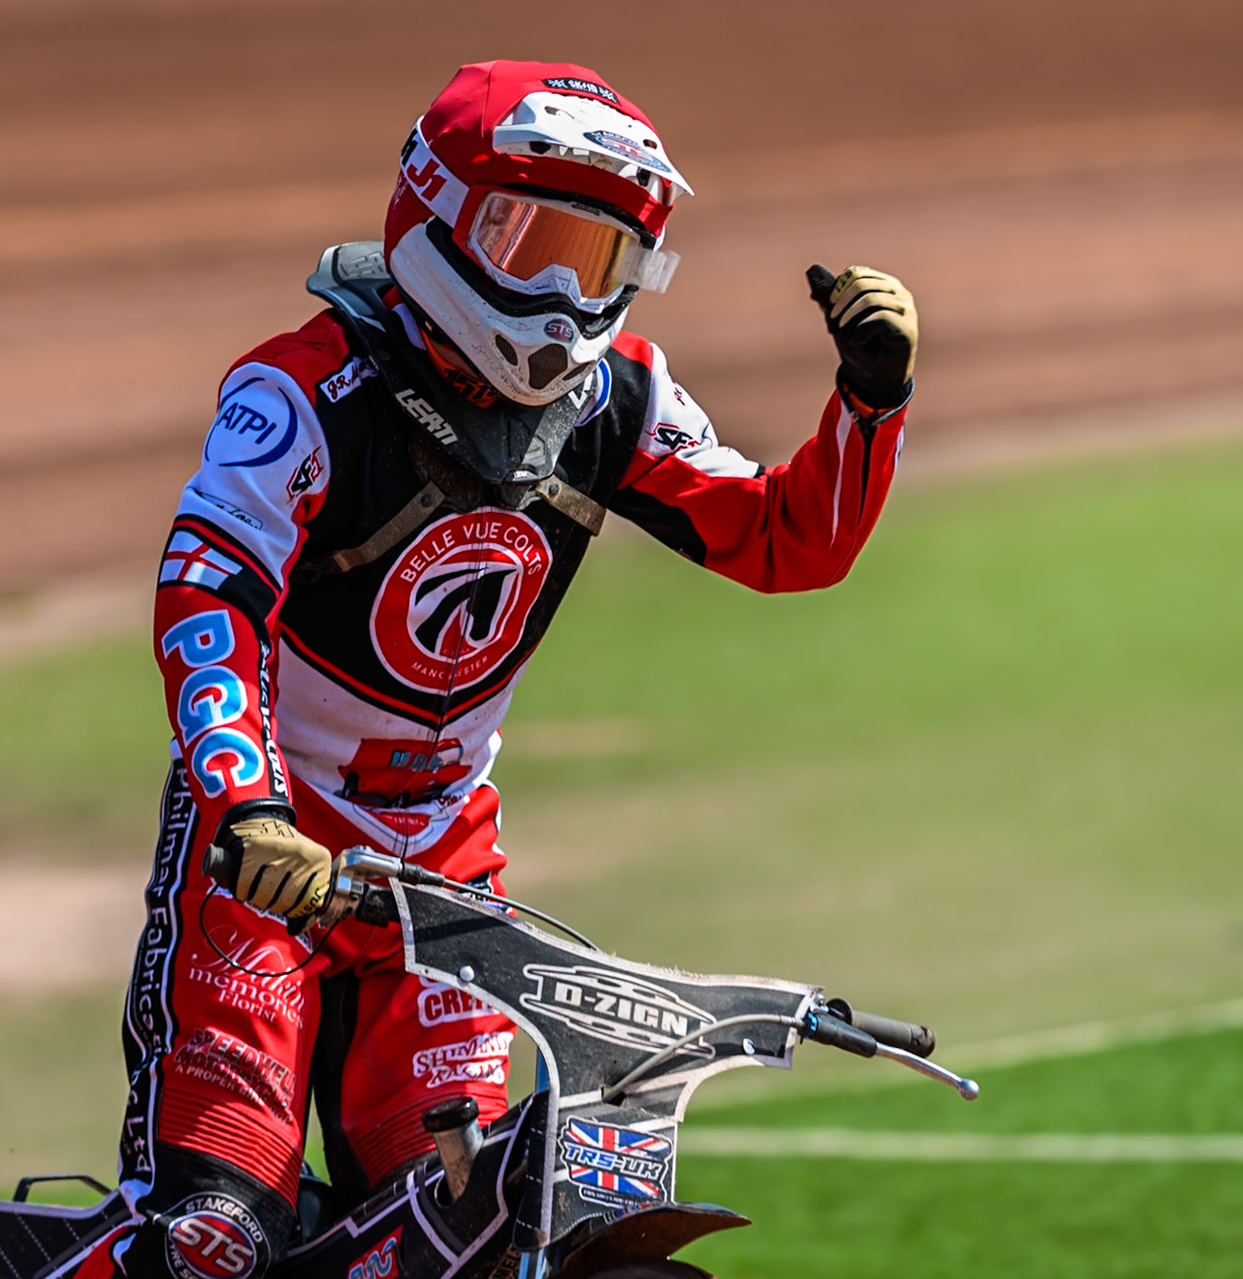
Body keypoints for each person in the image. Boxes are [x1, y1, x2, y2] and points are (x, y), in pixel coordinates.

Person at [97, 59, 916, 1279]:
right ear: (435, 210)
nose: (555, 294)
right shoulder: (307, 386)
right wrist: (249, 809)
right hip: (265, 874)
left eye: (592, 261)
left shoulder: (619, 397)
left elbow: (784, 540)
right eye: (528, 240)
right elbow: (210, 597)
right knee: (213, 1245)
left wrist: (871, 399)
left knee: (467, 1234)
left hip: (446, 884)